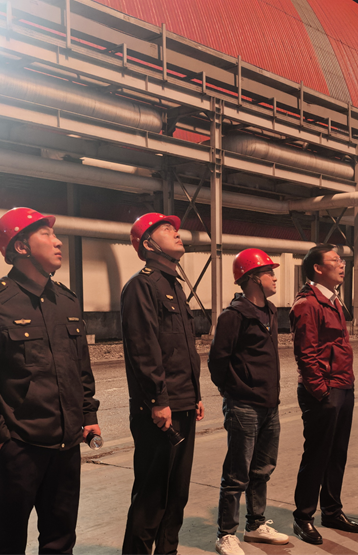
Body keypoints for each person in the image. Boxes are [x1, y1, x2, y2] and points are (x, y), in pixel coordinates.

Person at [0, 207, 100, 554]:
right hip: (20, 448)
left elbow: (80, 367)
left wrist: (89, 415)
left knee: (61, 540)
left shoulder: (66, 300)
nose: (58, 242)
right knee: (8, 543)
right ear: (21, 247)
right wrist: (0, 441)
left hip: (66, 446)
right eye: (46, 235)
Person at [121, 212, 205, 555]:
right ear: (148, 244)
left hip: (182, 401)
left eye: (175, 229)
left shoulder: (174, 286)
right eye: (166, 229)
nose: (177, 233)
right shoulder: (142, 286)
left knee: (176, 495)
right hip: (159, 409)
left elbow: (181, 350)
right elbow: (145, 349)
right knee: (152, 496)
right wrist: (158, 400)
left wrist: (195, 395)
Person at [209, 249, 290, 555]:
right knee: (236, 474)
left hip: (270, 405)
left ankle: (255, 525)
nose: (275, 277)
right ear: (253, 278)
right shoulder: (233, 316)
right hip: (244, 406)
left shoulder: (270, 311)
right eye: (269, 272)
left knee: (262, 469)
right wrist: (233, 391)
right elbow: (217, 361)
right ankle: (225, 534)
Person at [289, 244, 358, 546]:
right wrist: (321, 392)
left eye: (342, 260)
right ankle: (303, 517)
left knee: (337, 453)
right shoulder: (308, 303)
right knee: (317, 455)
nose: (342, 265)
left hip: (343, 385)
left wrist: (345, 385)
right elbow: (305, 354)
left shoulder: (332, 299)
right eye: (335, 260)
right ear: (318, 268)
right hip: (325, 391)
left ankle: (331, 511)